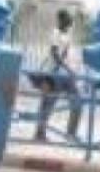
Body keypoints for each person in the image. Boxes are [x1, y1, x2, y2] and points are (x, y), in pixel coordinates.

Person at [35, 9, 82, 141]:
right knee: (48, 104)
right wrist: (68, 69)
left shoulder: (67, 36)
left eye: (70, 19)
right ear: (61, 20)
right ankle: (40, 133)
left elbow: (65, 55)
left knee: (77, 102)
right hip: (53, 74)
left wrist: (72, 69)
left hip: (65, 74)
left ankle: (70, 133)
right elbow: (54, 54)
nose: (70, 21)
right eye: (67, 18)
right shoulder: (55, 33)